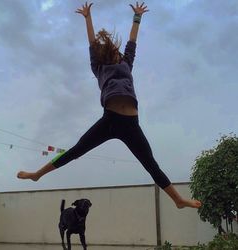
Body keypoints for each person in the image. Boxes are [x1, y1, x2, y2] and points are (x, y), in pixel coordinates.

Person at [17, 2, 201, 209]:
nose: (115, 52)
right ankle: (37, 174)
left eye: (116, 50)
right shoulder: (99, 67)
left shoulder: (127, 63)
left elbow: (132, 41)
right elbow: (92, 43)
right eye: (110, 51)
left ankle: (178, 200)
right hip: (110, 119)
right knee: (77, 150)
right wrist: (88, 18)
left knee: (150, 163)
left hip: (131, 124)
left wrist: (137, 18)